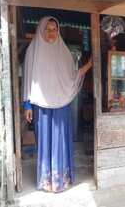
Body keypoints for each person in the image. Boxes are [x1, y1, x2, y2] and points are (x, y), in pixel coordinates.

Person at [23, 16, 92, 192]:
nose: (52, 33)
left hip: (61, 106)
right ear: (41, 30)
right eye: (48, 29)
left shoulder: (63, 52)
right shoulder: (33, 51)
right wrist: (27, 105)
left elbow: (72, 76)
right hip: (42, 107)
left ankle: (62, 179)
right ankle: (47, 181)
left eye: (55, 29)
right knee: (45, 143)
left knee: (61, 142)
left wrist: (88, 65)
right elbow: (27, 79)